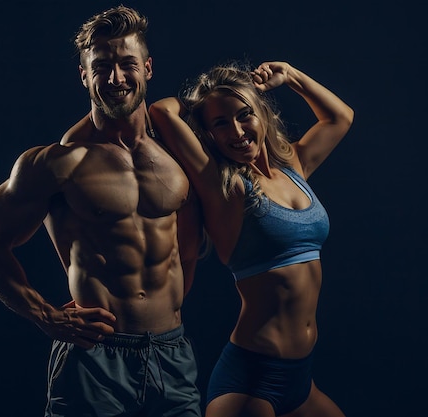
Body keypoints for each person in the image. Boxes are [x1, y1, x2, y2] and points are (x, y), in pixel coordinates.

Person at [0, 6, 203, 417]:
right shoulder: (59, 162)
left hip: (172, 354)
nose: (115, 78)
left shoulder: (181, 151)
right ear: (83, 75)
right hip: (96, 359)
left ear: (147, 68)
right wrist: (46, 316)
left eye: (127, 64)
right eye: (101, 66)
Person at [149, 61, 354, 417]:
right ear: (207, 133)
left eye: (245, 115)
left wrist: (290, 75)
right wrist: (200, 103)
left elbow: (340, 118)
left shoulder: (292, 167)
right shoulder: (222, 186)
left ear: (261, 114)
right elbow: (161, 111)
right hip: (250, 382)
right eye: (220, 123)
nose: (237, 130)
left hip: (300, 379)